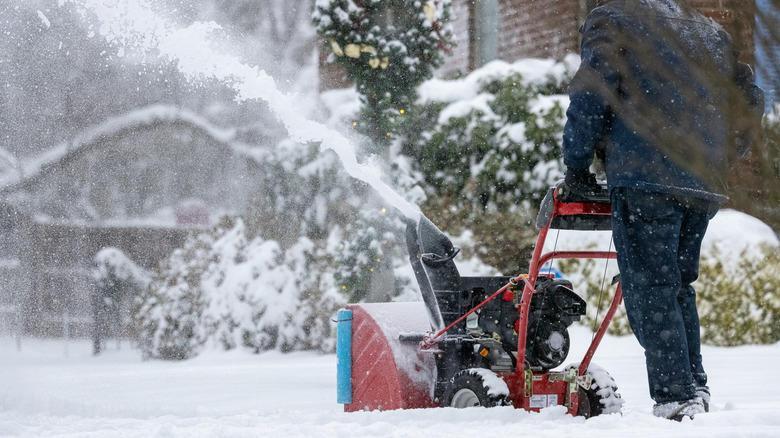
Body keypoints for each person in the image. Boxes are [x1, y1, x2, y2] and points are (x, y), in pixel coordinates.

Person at [561, 0, 764, 421]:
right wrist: (717, 158)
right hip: (700, 181)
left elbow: (592, 90)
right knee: (677, 284)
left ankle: (676, 399)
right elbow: (748, 102)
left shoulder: (613, 18)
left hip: (645, 175)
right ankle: (694, 388)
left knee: (651, 286)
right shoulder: (706, 31)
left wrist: (577, 164)